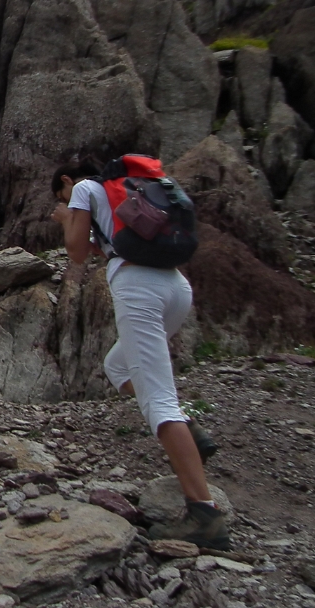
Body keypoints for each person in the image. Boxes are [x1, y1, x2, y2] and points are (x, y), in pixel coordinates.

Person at [51, 161, 229, 550]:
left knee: (158, 402)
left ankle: (206, 517)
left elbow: (77, 253)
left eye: (60, 194)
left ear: (66, 181)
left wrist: (67, 217)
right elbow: (108, 242)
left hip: (139, 288)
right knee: (117, 365)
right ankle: (190, 434)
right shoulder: (124, 189)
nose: (64, 201)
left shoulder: (82, 189)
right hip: (176, 287)